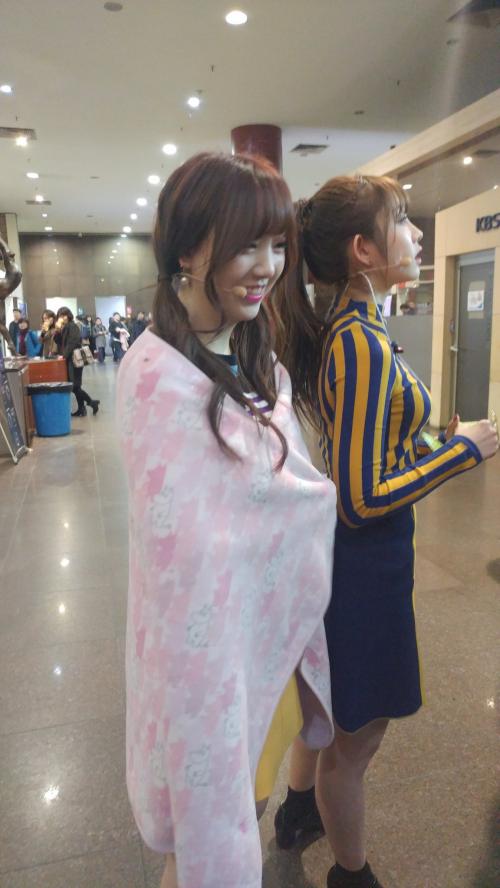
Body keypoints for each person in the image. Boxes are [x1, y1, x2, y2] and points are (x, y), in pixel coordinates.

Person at [116, 152, 338, 888]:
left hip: (267, 646)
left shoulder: (255, 354)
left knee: (253, 798)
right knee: (200, 845)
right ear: (187, 250)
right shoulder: (156, 374)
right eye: (247, 245)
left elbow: (282, 488)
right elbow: (181, 554)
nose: (267, 267)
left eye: (278, 245)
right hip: (207, 663)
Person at [270, 175, 499, 888]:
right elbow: (361, 498)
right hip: (364, 567)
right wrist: (464, 452)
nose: (418, 232)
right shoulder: (360, 341)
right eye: (402, 219)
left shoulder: (353, 329)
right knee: (357, 741)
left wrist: (432, 442)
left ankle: (297, 813)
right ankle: (351, 874)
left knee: (332, 709)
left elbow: (368, 451)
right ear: (363, 250)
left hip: (362, 562)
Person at [54, 306, 100, 417]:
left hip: (74, 359)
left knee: (74, 386)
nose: (63, 318)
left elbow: (73, 342)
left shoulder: (72, 326)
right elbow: (58, 341)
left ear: (68, 315)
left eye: (64, 315)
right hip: (69, 359)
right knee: (76, 386)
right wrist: (57, 331)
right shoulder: (64, 327)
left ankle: (91, 402)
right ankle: (82, 409)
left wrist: (64, 355)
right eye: (60, 316)